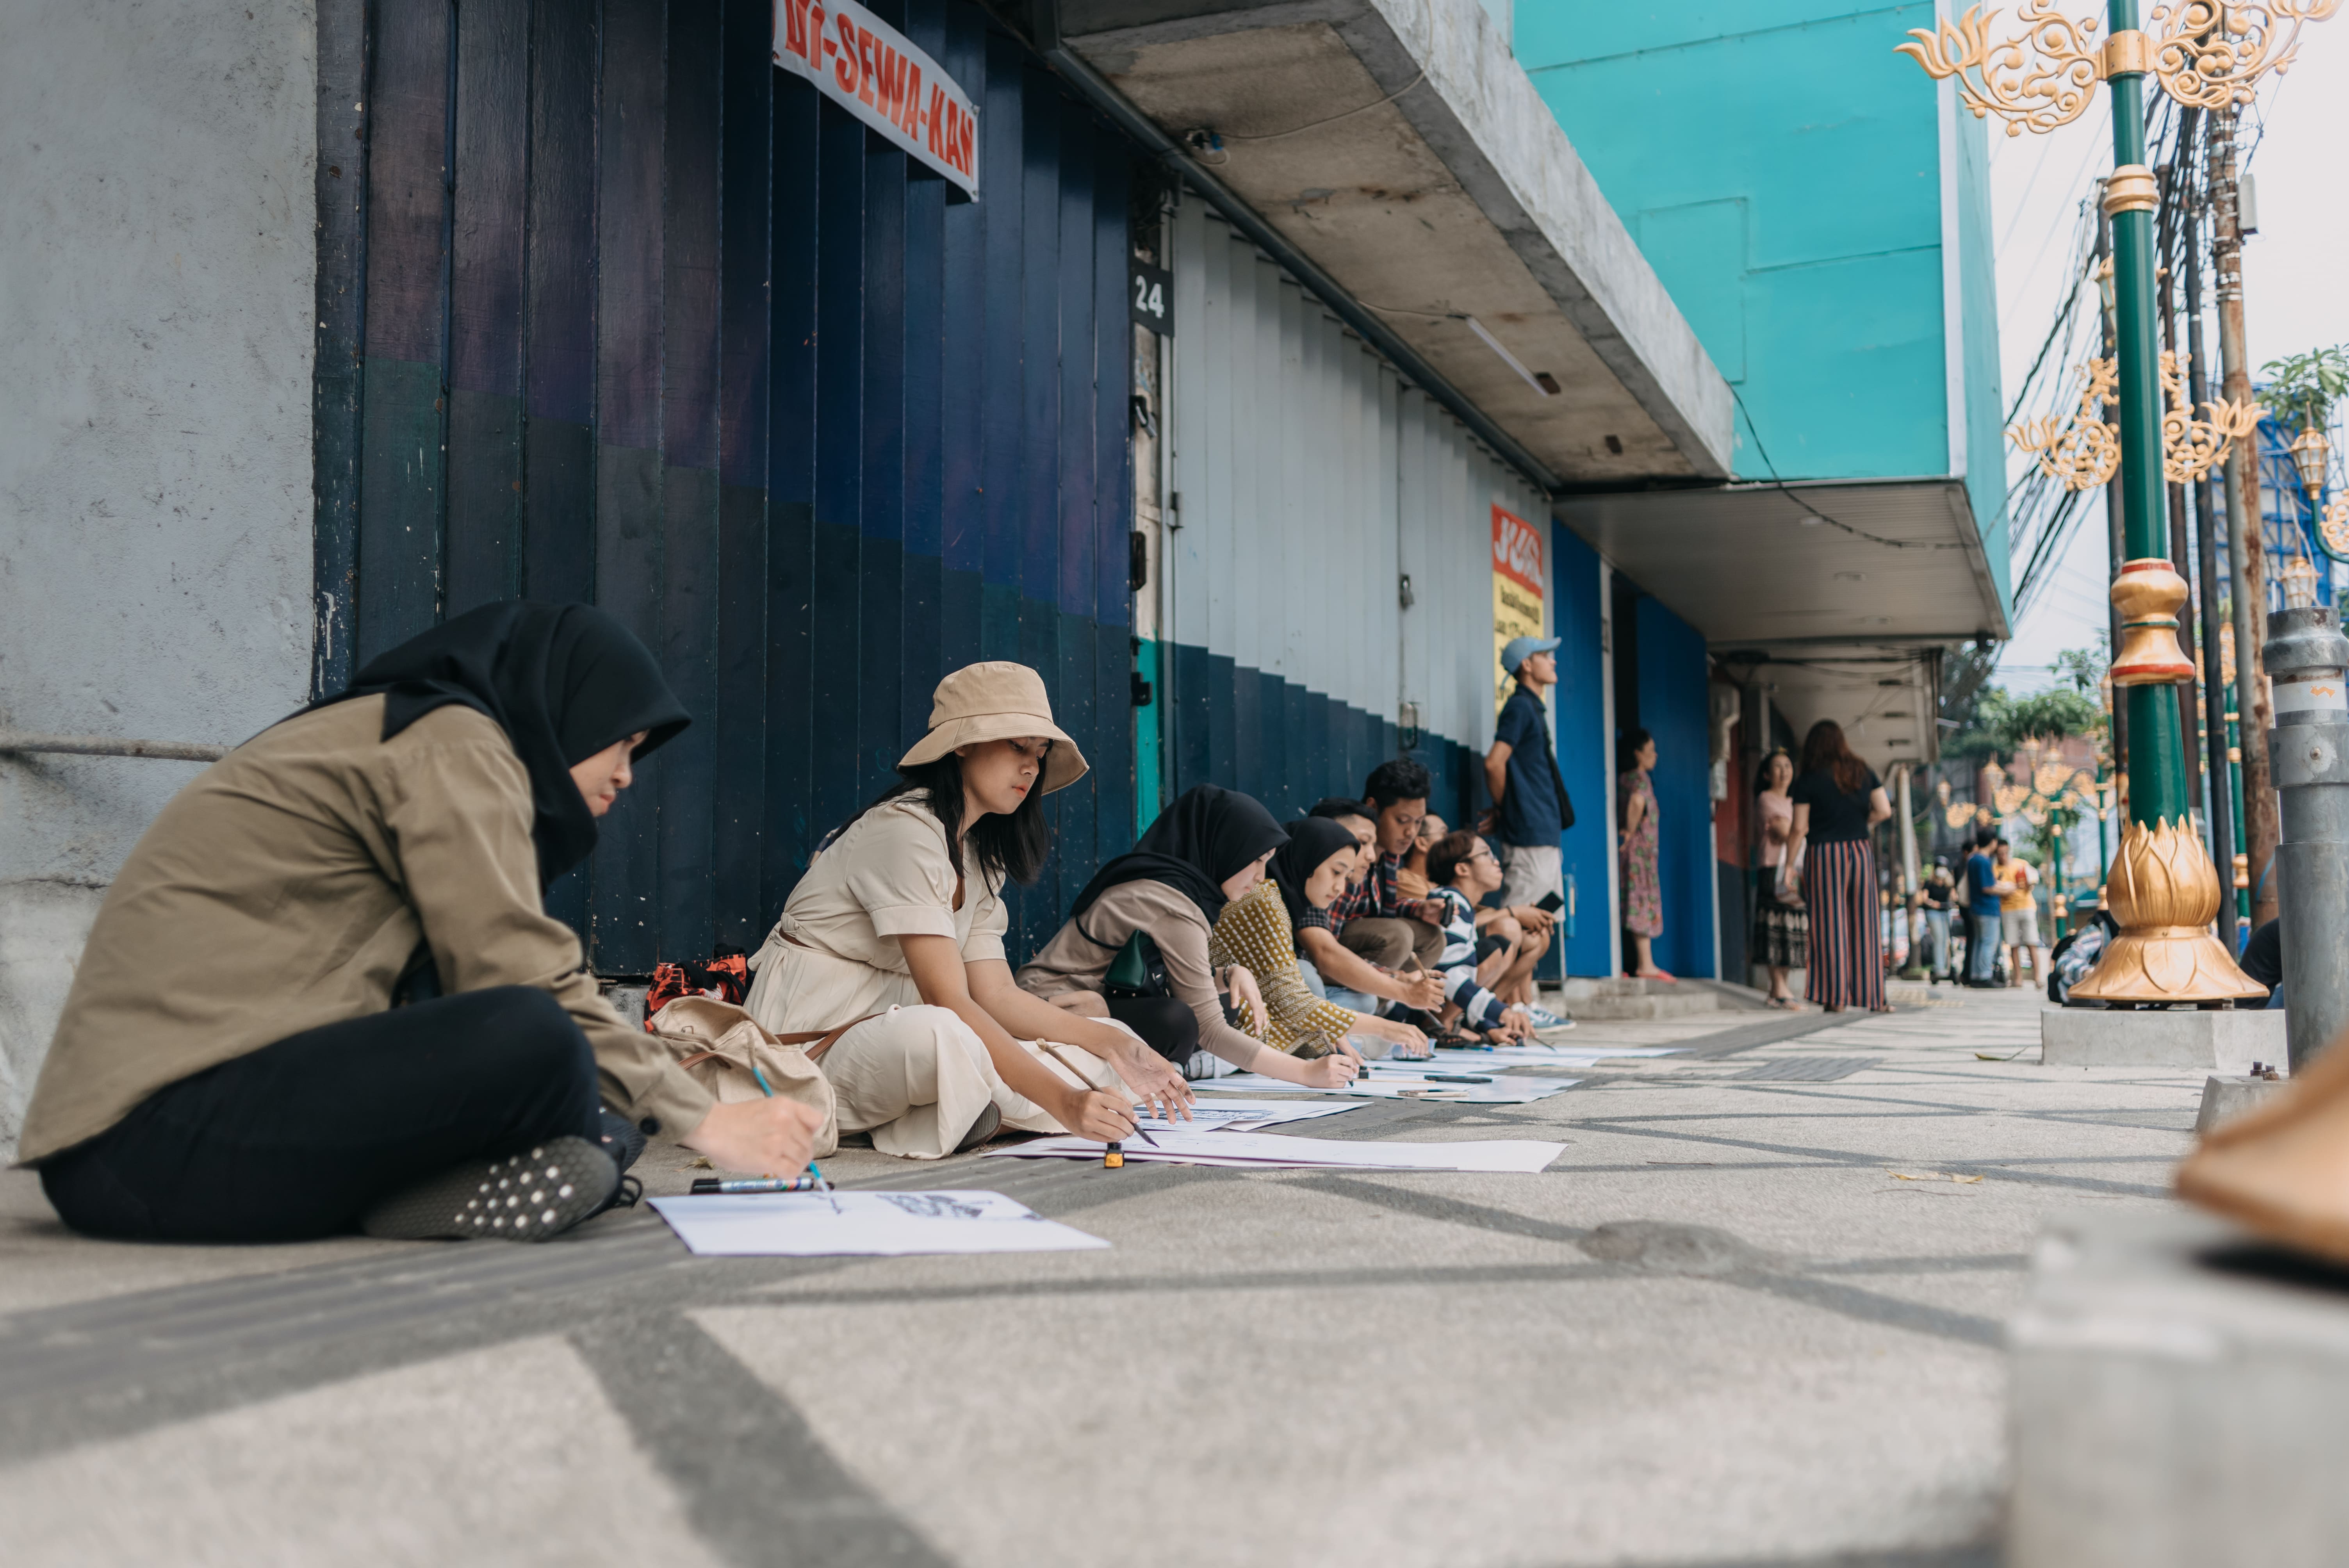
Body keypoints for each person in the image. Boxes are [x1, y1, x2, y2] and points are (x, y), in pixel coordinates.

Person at [20, 601, 827, 1244]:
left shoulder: (412, 732)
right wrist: (710, 1120)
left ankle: (408, 1199)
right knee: (534, 1034)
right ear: (564, 713)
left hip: (177, 1138)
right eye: (621, 741)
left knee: (594, 1108)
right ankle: (402, 1196)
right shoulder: (453, 742)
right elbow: (515, 971)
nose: (625, 773)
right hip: (143, 1145)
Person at [744, 664, 1164, 1158]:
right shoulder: (904, 830)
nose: (1031, 767)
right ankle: (989, 1108)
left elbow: (997, 995)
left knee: (1113, 1037)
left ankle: (966, 1109)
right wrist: (1066, 1100)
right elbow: (949, 999)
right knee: (944, 1040)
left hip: (899, 1027)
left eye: (1040, 752)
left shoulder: (980, 855)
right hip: (810, 1044)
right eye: (1016, 746)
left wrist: (1113, 1045)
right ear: (962, 744)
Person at [1019, 785, 1365, 1090]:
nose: (1261, 877)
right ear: (1224, 847)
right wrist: (1306, 1072)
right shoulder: (1173, 903)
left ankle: (1187, 1066)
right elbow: (1208, 1029)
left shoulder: (1182, 890)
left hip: (1090, 1001)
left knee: (1225, 1008)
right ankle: (1186, 1067)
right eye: (1256, 860)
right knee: (1180, 1022)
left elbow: (1164, 979)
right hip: (1050, 1005)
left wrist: (1227, 975)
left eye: (1268, 863)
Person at [1208, 816, 1429, 1058]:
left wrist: (1331, 1031)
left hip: (1247, 1012)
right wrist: (1387, 1028)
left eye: (1345, 877)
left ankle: (1326, 1043)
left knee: (1361, 1003)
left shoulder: (1283, 898)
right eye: (1336, 872)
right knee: (1307, 980)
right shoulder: (1263, 899)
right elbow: (1293, 1002)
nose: (1340, 889)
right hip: (1221, 1019)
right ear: (1308, 859)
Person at [1295, 769, 1452, 1021]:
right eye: (1403, 820)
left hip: (1330, 959)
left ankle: (1372, 1012)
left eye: (1419, 823)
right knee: (1308, 974)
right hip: (1312, 964)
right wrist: (1400, 984)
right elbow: (1323, 953)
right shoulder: (1321, 863)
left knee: (1429, 938)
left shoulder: (1387, 856)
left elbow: (1376, 910)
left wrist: (1416, 909)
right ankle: (1364, 1019)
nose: (1411, 832)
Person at [1483, 634, 1571, 1009]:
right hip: (1530, 831)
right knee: (1521, 918)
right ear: (1526, 666)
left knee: (1542, 917)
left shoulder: (1533, 708)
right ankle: (1515, 1005)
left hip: (1543, 832)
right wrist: (1508, 808)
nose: (1553, 662)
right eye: (1544, 656)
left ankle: (1526, 1002)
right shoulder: (1520, 707)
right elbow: (1494, 762)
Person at [1782, 719, 1893, 1012]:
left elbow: (1799, 828)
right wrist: (1860, 826)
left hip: (1824, 853)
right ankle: (1874, 998)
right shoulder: (1862, 770)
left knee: (1829, 925)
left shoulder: (1808, 779)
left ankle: (1836, 998)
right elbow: (1884, 810)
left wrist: (1789, 865)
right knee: (1866, 923)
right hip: (1860, 850)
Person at [1422, 831, 1539, 1043]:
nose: (1496, 862)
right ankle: (1437, 1025)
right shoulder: (1448, 904)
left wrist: (1489, 1027)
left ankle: (1458, 1024)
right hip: (1416, 1007)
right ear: (1462, 868)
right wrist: (1501, 1012)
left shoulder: (1460, 904)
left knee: (1499, 947)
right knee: (1494, 950)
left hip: (1433, 1001)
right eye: (1487, 854)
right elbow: (1448, 976)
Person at [1751, 748, 1806, 1010]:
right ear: (1766, 774)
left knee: (1790, 929)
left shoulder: (1793, 803)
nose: (1784, 771)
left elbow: (1796, 830)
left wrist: (1798, 829)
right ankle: (1780, 989)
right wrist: (1801, 829)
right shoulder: (1765, 799)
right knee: (1774, 927)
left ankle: (1777, 989)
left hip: (1794, 869)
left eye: (1788, 765)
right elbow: (1788, 831)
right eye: (1777, 766)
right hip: (1773, 869)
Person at [1618, 727, 1671, 981]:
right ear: (1637, 754)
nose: (1656, 756)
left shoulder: (1625, 778)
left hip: (1636, 854)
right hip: (1639, 854)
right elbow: (1638, 802)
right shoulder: (1639, 779)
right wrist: (1629, 830)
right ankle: (1645, 964)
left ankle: (1635, 962)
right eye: (1650, 751)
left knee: (1630, 900)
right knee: (1640, 901)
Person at [1962, 826, 2009, 987]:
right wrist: (2006, 889)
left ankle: (1976, 974)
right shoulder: (1983, 860)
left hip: (1976, 907)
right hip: (1987, 908)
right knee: (1989, 942)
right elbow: (1987, 887)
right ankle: (1984, 976)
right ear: (1993, 842)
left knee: (1979, 942)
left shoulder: (1973, 859)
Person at [1997, 840, 2044, 990]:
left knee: (2032, 943)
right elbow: (1997, 890)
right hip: (2007, 909)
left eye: (2005, 852)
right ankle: (2018, 979)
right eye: (2000, 854)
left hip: (2027, 907)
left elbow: (2032, 881)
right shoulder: (1995, 869)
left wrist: (2028, 883)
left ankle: (2038, 978)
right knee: (2014, 945)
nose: (2003, 856)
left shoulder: (2020, 864)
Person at [1917, 856, 1958, 984]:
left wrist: (1954, 899)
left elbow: (1954, 897)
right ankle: (1939, 968)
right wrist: (1932, 903)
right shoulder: (1930, 883)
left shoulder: (1948, 883)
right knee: (1939, 937)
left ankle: (1945, 967)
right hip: (1933, 913)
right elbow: (1924, 898)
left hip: (1945, 912)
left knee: (1946, 939)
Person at [1397, 811, 1447, 899]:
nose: (1451, 842)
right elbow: (1455, 910)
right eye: (1444, 834)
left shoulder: (1439, 881)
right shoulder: (1404, 882)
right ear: (1421, 843)